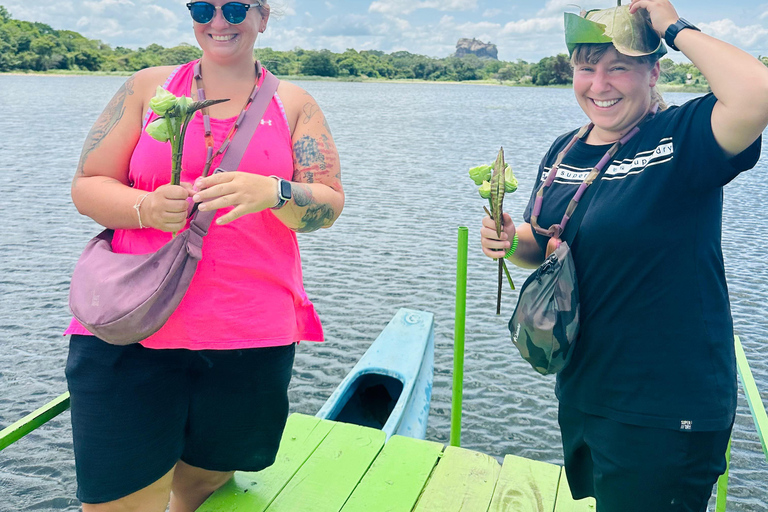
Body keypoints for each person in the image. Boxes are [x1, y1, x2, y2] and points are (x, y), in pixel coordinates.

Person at [480, 0, 768, 510]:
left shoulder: (682, 138)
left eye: (619, 67)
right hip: (587, 392)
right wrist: (511, 238)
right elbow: (547, 245)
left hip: (665, 409)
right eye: (586, 67)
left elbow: (757, 94)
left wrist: (671, 25)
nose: (599, 84)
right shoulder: (565, 150)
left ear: (653, 72)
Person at [65, 1, 344, 510]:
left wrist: (274, 192)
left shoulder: (296, 103)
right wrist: (144, 207)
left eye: (236, 8)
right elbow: (86, 185)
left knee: (200, 490)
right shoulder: (148, 88)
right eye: (203, 6)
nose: (219, 20)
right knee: (118, 501)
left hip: (249, 336)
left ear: (262, 18)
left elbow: (328, 203)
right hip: (132, 327)